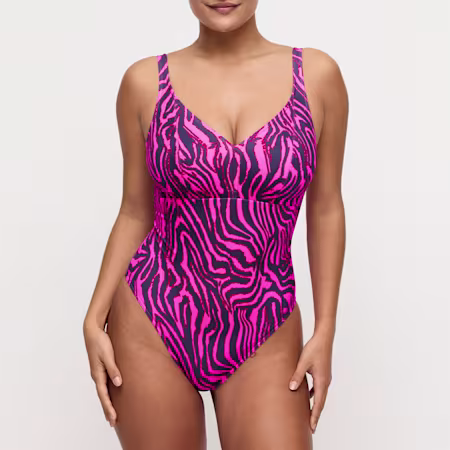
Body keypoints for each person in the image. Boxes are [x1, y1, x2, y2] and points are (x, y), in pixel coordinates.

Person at [83, 1, 348, 448]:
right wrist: (94, 318)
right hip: (154, 315)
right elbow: (135, 211)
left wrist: (326, 330)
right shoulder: (144, 83)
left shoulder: (317, 77)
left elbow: (326, 208)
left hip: (265, 319)